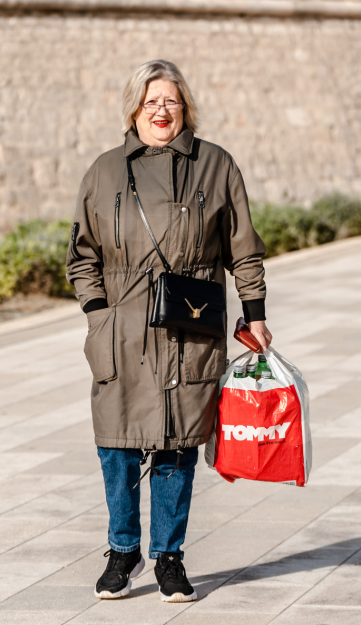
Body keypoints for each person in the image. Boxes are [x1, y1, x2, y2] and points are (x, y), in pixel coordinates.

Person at [67, 60, 272, 604]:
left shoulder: (216, 166)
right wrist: (97, 316)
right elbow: (81, 255)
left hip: (190, 330)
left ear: (186, 109)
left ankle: (169, 558)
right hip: (122, 332)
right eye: (151, 100)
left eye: (172, 102)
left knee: (179, 445)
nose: (161, 110)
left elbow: (244, 249)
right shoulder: (105, 171)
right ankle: (122, 549)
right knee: (117, 446)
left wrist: (255, 314)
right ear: (135, 107)